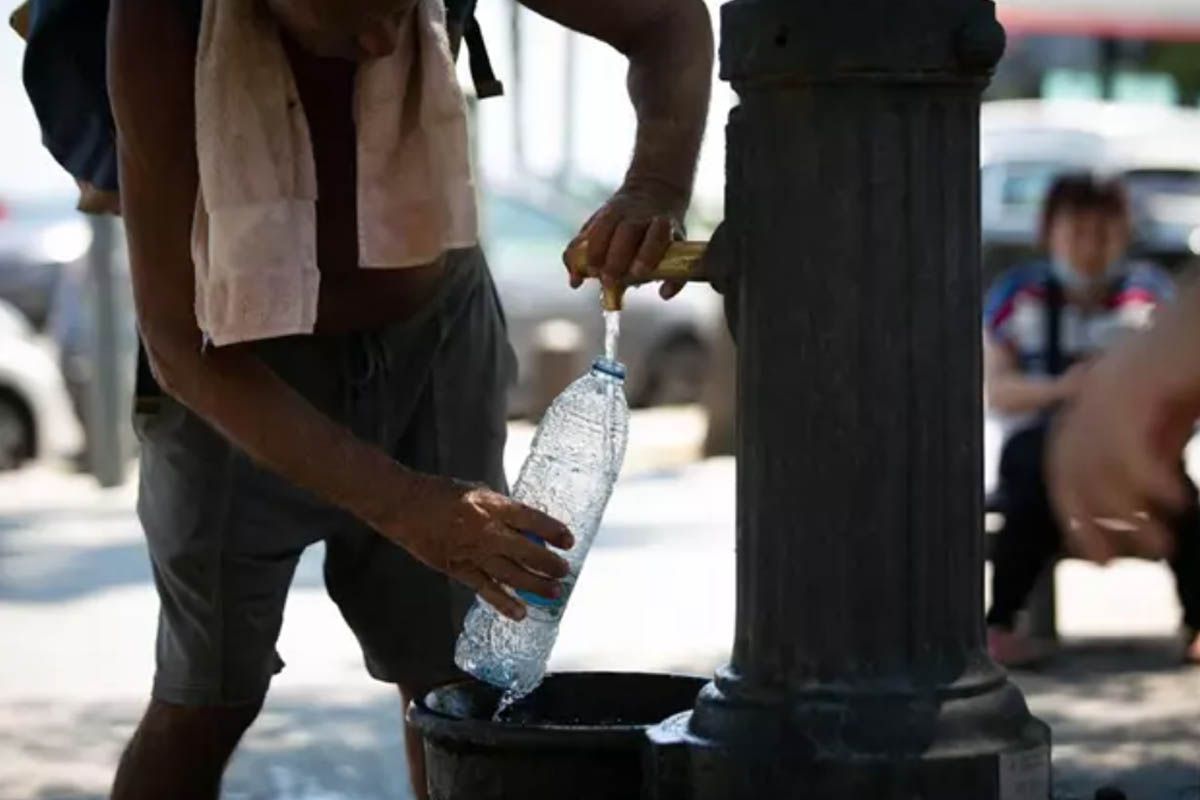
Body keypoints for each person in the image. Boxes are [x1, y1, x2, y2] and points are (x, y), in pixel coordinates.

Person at [20, 0, 714, 797]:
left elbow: (670, 24)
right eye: (354, 8)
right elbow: (181, 348)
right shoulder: (157, 22)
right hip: (235, 366)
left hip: (433, 336)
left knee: (456, 693)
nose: (388, 35)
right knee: (205, 699)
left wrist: (655, 184)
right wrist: (408, 504)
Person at [982, 173, 1200, 667]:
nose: (1090, 247)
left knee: (1184, 503)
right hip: (1038, 445)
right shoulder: (1018, 295)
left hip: (1134, 451)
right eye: (1077, 232)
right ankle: (1001, 624)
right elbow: (999, 389)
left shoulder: (1149, 298)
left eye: (1103, 232)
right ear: (1049, 233)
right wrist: (1068, 390)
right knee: (1028, 493)